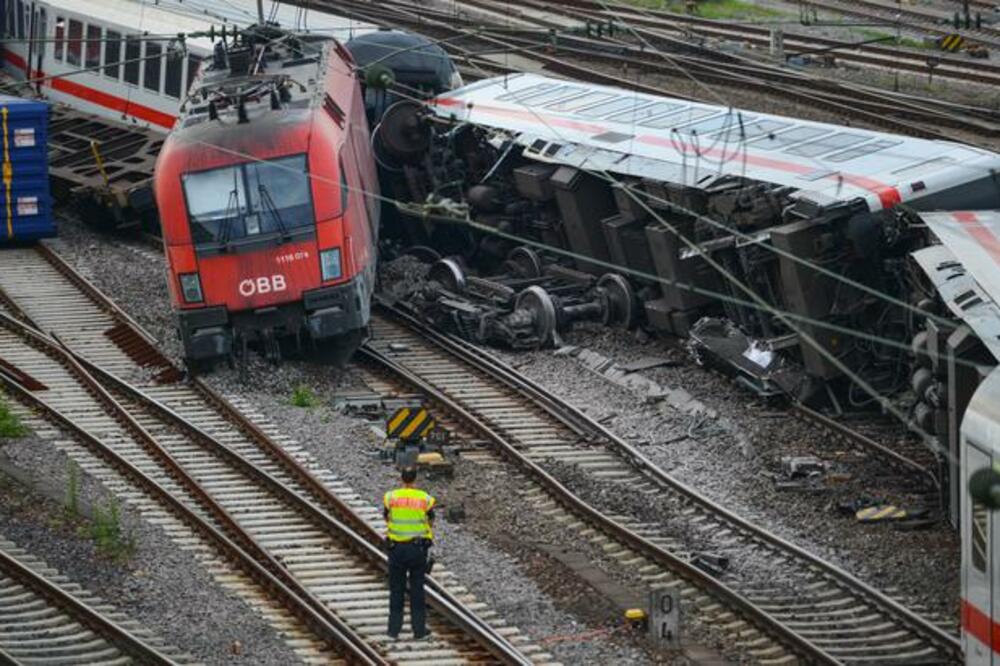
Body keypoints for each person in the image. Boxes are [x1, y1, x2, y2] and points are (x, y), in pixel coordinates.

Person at [383, 466, 435, 640]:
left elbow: (387, 516)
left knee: (396, 589)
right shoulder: (424, 498)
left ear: (401, 478)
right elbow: (431, 519)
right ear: (415, 479)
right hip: (417, 549)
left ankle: (393, 631)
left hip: (396, 549)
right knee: (417, 590)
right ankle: (419, 631)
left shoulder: (391, 497)